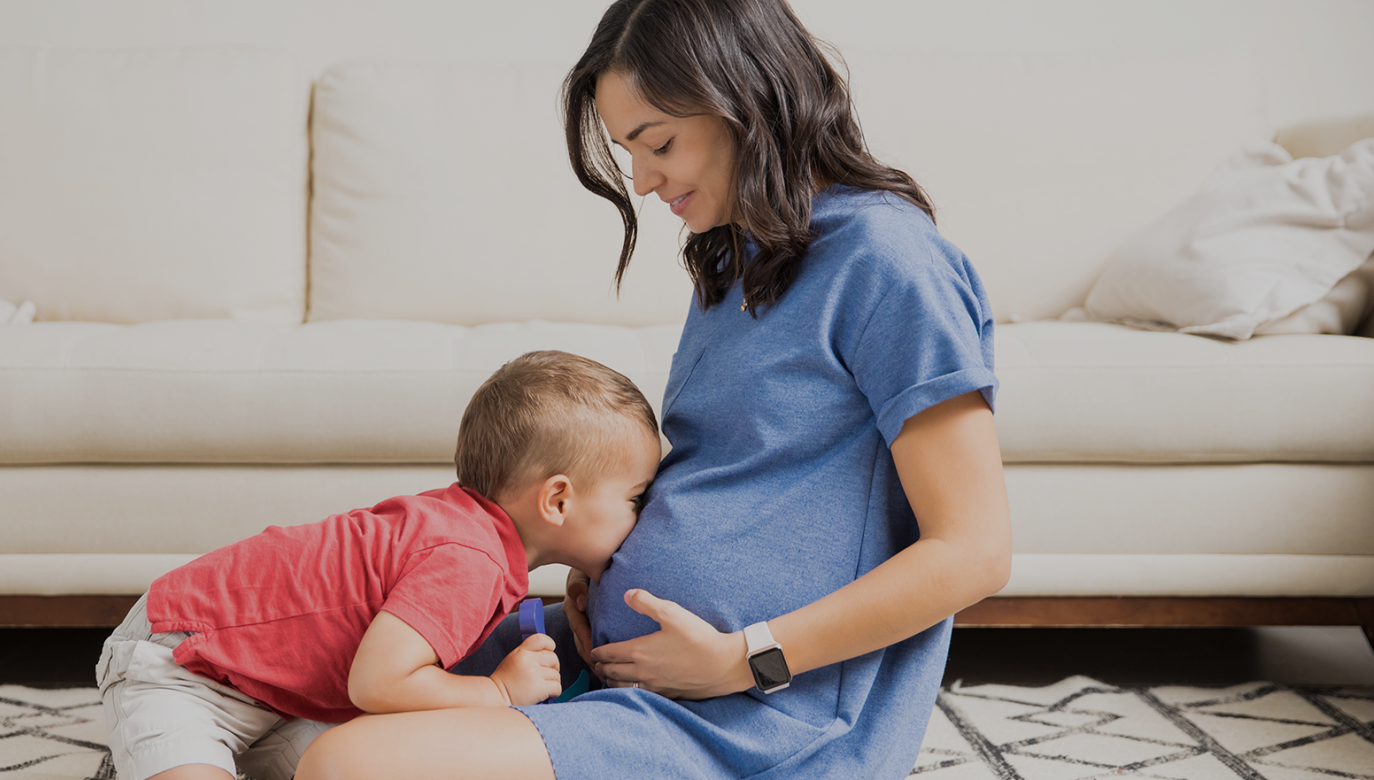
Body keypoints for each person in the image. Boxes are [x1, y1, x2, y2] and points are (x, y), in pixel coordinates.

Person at [293, 0, 1012, 778]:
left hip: (752, 716)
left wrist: (748, 659)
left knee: (345, 763)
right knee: (320, 679)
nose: (640, 182)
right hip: (627, 664)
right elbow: (728, 474)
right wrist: (598, 565)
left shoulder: (888, 260)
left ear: (749, 99)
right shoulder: (742, 257)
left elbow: (973, 552)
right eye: (626, 150)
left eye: (658, 143)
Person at [96, 350, 662, 780]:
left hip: (280, 694)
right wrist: (498, 692)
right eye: (636, 498)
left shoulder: (472, 538)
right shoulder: (469, 559)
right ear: (558, 501)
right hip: (187, 660)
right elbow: (378, 682)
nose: (646, 516)